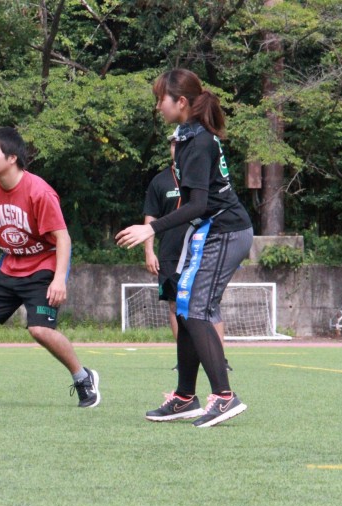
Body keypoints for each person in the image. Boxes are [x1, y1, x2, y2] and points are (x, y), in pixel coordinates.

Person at [116, 69, 252, 427]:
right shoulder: (189, 138)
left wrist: (150, 229)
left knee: (195, 309)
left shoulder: (199, 142)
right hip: (210, 232)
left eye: (160, 99)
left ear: (181, 102)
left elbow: (197, 205)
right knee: (183, 306)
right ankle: (184, 397)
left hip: (225, 232)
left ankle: (224, 396)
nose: (157, 106)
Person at [0, 127, 100, 408]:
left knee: (40, 330)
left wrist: (59, 279)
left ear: (12, 158)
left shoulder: (39, 191)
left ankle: (84, 378)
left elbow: (63, 237)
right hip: (10, 266)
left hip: (43, 267)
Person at [143, 130, 230, 372]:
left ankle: (219, 359)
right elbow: (150, 216)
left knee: (209, 304)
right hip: (171, 253)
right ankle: (185, 359)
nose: (177, 149)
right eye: (173, 145)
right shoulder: (159, 181)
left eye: (180, 144)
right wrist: (149, 251)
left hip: (201, 248)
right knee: (175, 305)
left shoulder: (200, 172)